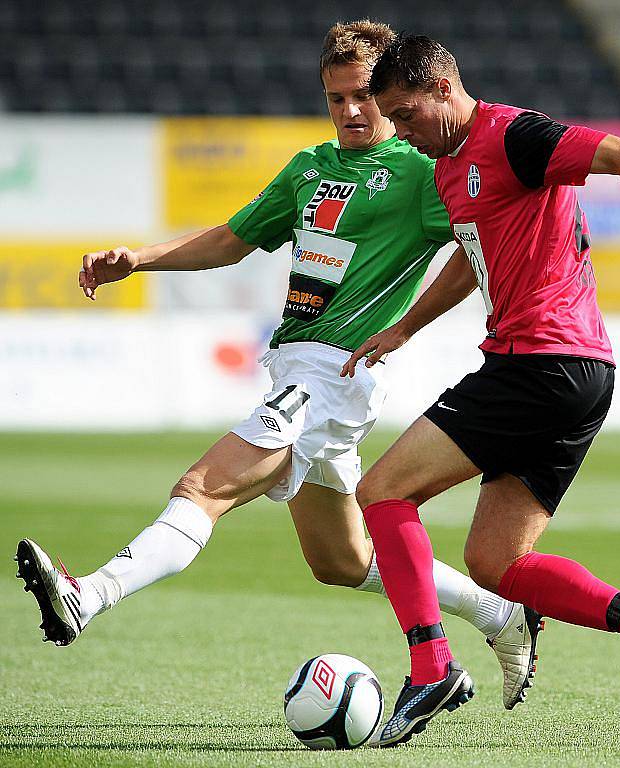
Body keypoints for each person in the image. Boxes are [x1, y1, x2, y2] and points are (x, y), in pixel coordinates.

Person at [15, 21, 540, 710]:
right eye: (335, 98)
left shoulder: (421, 174)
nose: (351, 111)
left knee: (203, 486)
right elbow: (233, 240)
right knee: (340, 561)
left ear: (387, 91)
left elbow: (485, 232)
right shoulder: (308, 168)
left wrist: (414, 325)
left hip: (334, 375)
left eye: (362, 96)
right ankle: (502, 617)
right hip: (292, 369)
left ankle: (90, 595)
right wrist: (140, 259)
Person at [341, 34, 620, 747]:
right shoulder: (448, 169)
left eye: (405, 113)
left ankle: (431, 667)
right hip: (580, 375)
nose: (401, 130)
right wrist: (404, 330)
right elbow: (471, 256)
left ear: (440, 88)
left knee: (382, 492)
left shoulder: (513, 135)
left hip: (539, 365)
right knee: (496, 563)